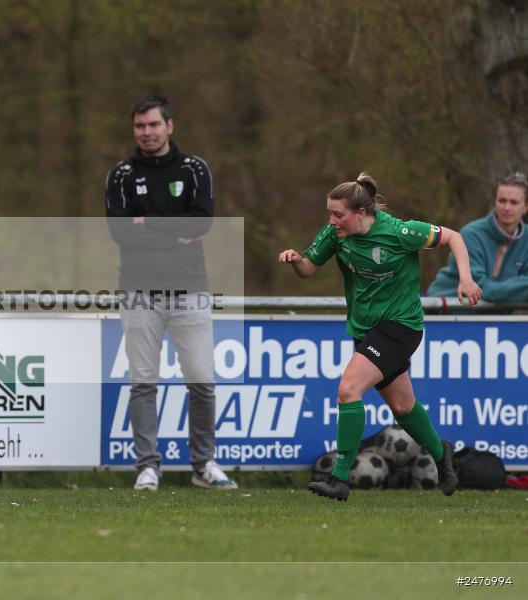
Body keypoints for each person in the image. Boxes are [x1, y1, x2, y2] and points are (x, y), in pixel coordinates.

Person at [278, 173, 482, 501]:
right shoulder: (336, 234)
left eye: (338, 214)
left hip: (401, 326)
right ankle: (441, 453)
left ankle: (339, 478)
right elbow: (308, 269)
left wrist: (466, 279)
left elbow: (454, 238)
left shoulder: (400, 232)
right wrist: (296, 260)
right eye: (329, 213)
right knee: (402, 405)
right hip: (366, 330)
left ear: (360, 213)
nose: (331, 221)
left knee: (348, 389)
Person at [105, 93, 237, 491]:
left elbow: (201, 225)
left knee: (201, 380)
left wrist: (147, 223)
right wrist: (172, 231)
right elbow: (120, 232)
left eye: (153, 124)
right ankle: (147, 466)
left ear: (169, 125)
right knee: (143, 382)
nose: (147, 132)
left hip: (190, 290)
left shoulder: (195, 169)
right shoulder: (121, 175)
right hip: (138, 292)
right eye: (140, 126)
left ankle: (203, 465)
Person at [428, 172, 528, 302]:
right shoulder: (472, 234)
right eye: (502, 201)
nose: (507, 207)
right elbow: (478, 289)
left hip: (494, 311)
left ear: (525, 207)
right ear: (495, 202)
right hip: (446, 308)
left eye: (514, 202)